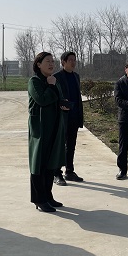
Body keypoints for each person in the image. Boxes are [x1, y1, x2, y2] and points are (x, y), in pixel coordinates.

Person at [28, 52, 69, 212]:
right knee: (39, 163)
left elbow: (58, 98)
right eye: (47, 61)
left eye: (52, 61)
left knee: (51, 163)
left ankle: (48, 196)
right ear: (38, 64)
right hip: (40, 129)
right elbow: (42, 99)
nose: (51, 64)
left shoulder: (53, 80)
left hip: (54, 126)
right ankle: (39, 199)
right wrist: (51, 86)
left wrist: (64, 104)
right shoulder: (35, 81)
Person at [53, 51, 84, 186]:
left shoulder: (76, 76)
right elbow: (53, 97)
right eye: (70, 60)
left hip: (74, 116)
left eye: (74, 60)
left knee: (71, 145)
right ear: (63, 62)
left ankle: (69, 171)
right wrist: (60, 104)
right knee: (60, 146)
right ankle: (56, 173)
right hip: (61, 117)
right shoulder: (56, 77)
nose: (73, 62)